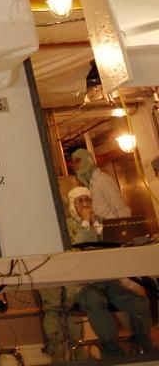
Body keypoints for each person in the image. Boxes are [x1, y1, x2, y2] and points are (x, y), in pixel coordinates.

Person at [66, 186, 154, 357]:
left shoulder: (100, 220)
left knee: (138, 302)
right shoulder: (67, 226)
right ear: (72, 205)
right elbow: (76, 248)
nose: (85, 204)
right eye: (80, 201)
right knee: (95, 299)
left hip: (109, 281)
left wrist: (97, 225)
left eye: (88, 200)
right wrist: (85, 223)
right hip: (83, 285)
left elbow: (112, 242)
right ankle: (111, 346)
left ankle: (144, 342)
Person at [71, 148, 132, 221]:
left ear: (87, 160)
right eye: (73, 162)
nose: (75, 165)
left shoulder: (102, 179)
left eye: (78, 161)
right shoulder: (92, 183)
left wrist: (125, 228)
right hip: (105, 228)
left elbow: (120, 207)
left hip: (113, 227)